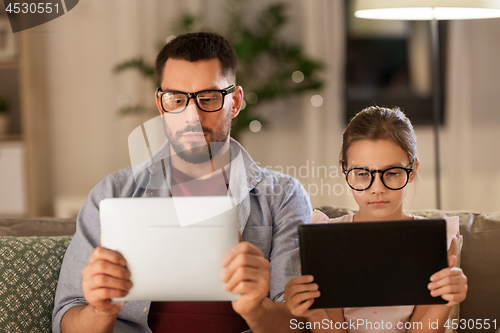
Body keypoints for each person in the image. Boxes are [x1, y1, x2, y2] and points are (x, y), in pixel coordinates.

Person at [52, 32, 312, 333]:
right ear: (162, 105)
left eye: (209, 98)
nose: (192, 116)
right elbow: (66, 320)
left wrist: (256, 307)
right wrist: (100, 311)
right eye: (177, 99)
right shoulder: (111, 194)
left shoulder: (283, 196)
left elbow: (300, 324)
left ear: (235, 102)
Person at [284, 106, 468, 332]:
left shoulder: (436, 239)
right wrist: (312, 310)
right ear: (345, 170)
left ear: (411, 171)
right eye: (362, 174)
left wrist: (446, 302)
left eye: (391, 173)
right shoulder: (327, 238)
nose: (377, 189)